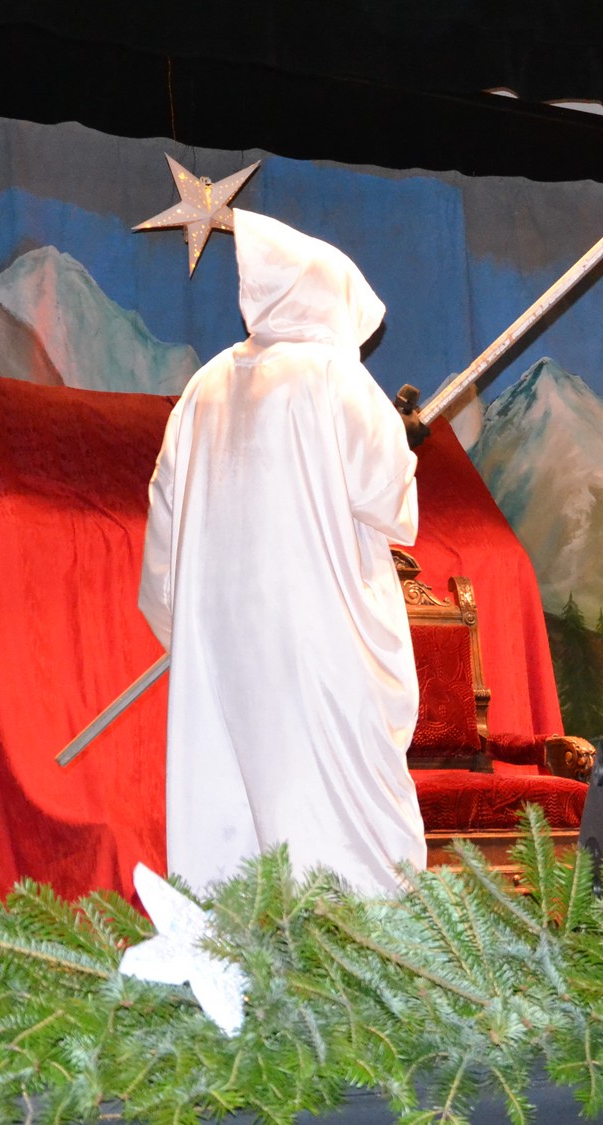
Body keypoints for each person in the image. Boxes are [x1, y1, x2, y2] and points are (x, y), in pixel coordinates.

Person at [138, 209, 426, 897]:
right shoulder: (335, 376)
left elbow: (163, 534)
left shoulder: (203, 389)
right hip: (322, 650)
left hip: (223, 653)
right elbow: (390, 504)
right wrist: (402, 440)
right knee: (343, 828)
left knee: (232, 814)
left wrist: (188, 633)